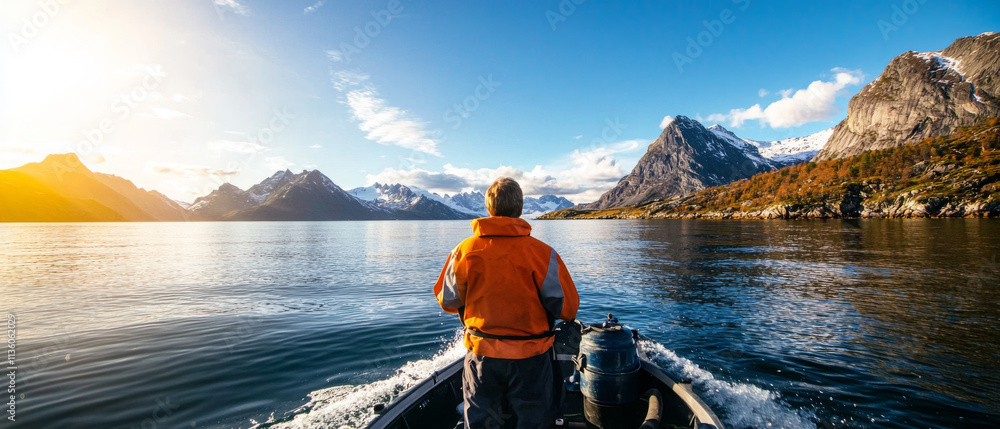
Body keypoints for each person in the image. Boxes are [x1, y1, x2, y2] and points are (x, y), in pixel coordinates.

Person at [434, 177, 580, 429]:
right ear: (520, 209)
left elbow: (448, 302)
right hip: (531, 358)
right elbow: (568, 309)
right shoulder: (543, 253)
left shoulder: (463, 251)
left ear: (489, 209)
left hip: (482, 356)